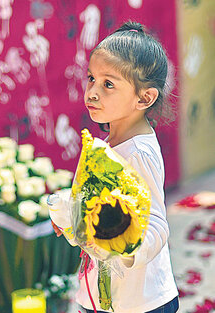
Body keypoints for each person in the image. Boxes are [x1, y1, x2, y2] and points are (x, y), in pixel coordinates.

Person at [52, 21, 179, 313]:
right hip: (101, 299)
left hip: (140, 303)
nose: (92, 92)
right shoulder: (104, 146)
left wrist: (119, 245)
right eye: (91, 78)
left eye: (108, 84)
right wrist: (71, 217)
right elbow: (95, 220)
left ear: (144, 98)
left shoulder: (137, 152)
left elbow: (157, 227)